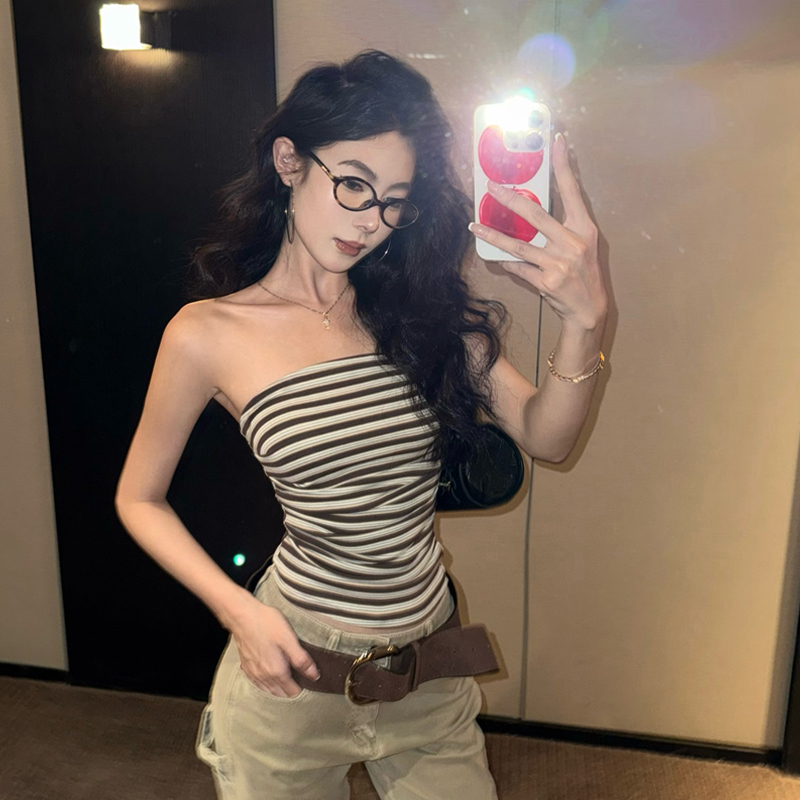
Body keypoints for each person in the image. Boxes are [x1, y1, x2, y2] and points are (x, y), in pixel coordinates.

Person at [115, 50, 608, 800]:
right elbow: (138, 498)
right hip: (293, 673)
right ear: (289, 162)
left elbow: (548, 437)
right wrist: (239, 612)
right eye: (353, 184)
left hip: (428, 667)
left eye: (394, 202)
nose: (370, 222)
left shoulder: (423, 313)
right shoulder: (206, 334)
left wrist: (585, 323)